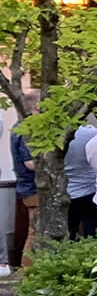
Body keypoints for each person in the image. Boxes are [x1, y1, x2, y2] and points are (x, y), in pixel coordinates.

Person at [64, 108, 97, 240]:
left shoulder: (53, 136)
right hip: (90, 190)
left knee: (68, 232)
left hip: (65, 191)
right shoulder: (91, 133)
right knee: (93, 231)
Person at [8, 112, 35, 268]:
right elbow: (30, 163)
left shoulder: (17, 127)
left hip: (25, 185)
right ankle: (26, 271)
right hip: (32, 186)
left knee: (34, 230)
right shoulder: (26, 129)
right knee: (35, 231)